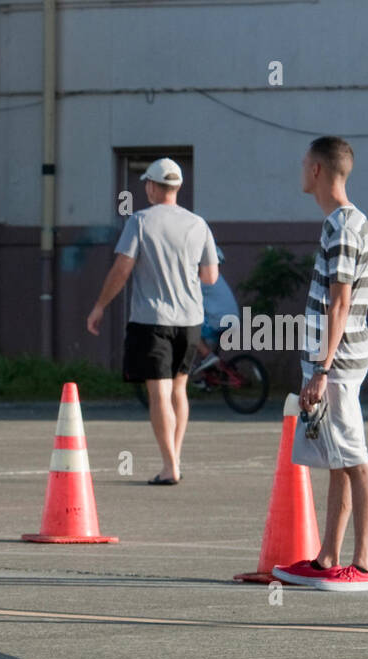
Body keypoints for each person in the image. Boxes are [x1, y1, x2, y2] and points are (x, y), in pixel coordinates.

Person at [273, 136, 368, 592]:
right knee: (339, 456)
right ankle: (328, 560)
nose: (300, 169)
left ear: (317, 170)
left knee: (354, 458)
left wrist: (322, 368)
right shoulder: (344, 223)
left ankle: (364, 565)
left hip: (337, 363)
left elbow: (340, 303)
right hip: (340, 358)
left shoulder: (342, 227)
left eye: (303, 163)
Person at [87, 157, 218, 484]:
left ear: (153, 186)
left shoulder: (140, 221)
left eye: (147, 182)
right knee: (179, 390)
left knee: (158, 393)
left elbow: (122, 269)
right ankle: (173, 459)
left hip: (152, 320)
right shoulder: (198, 224)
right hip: (190, 320)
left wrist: (100, 305)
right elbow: (210, 276)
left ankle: (169, 465)